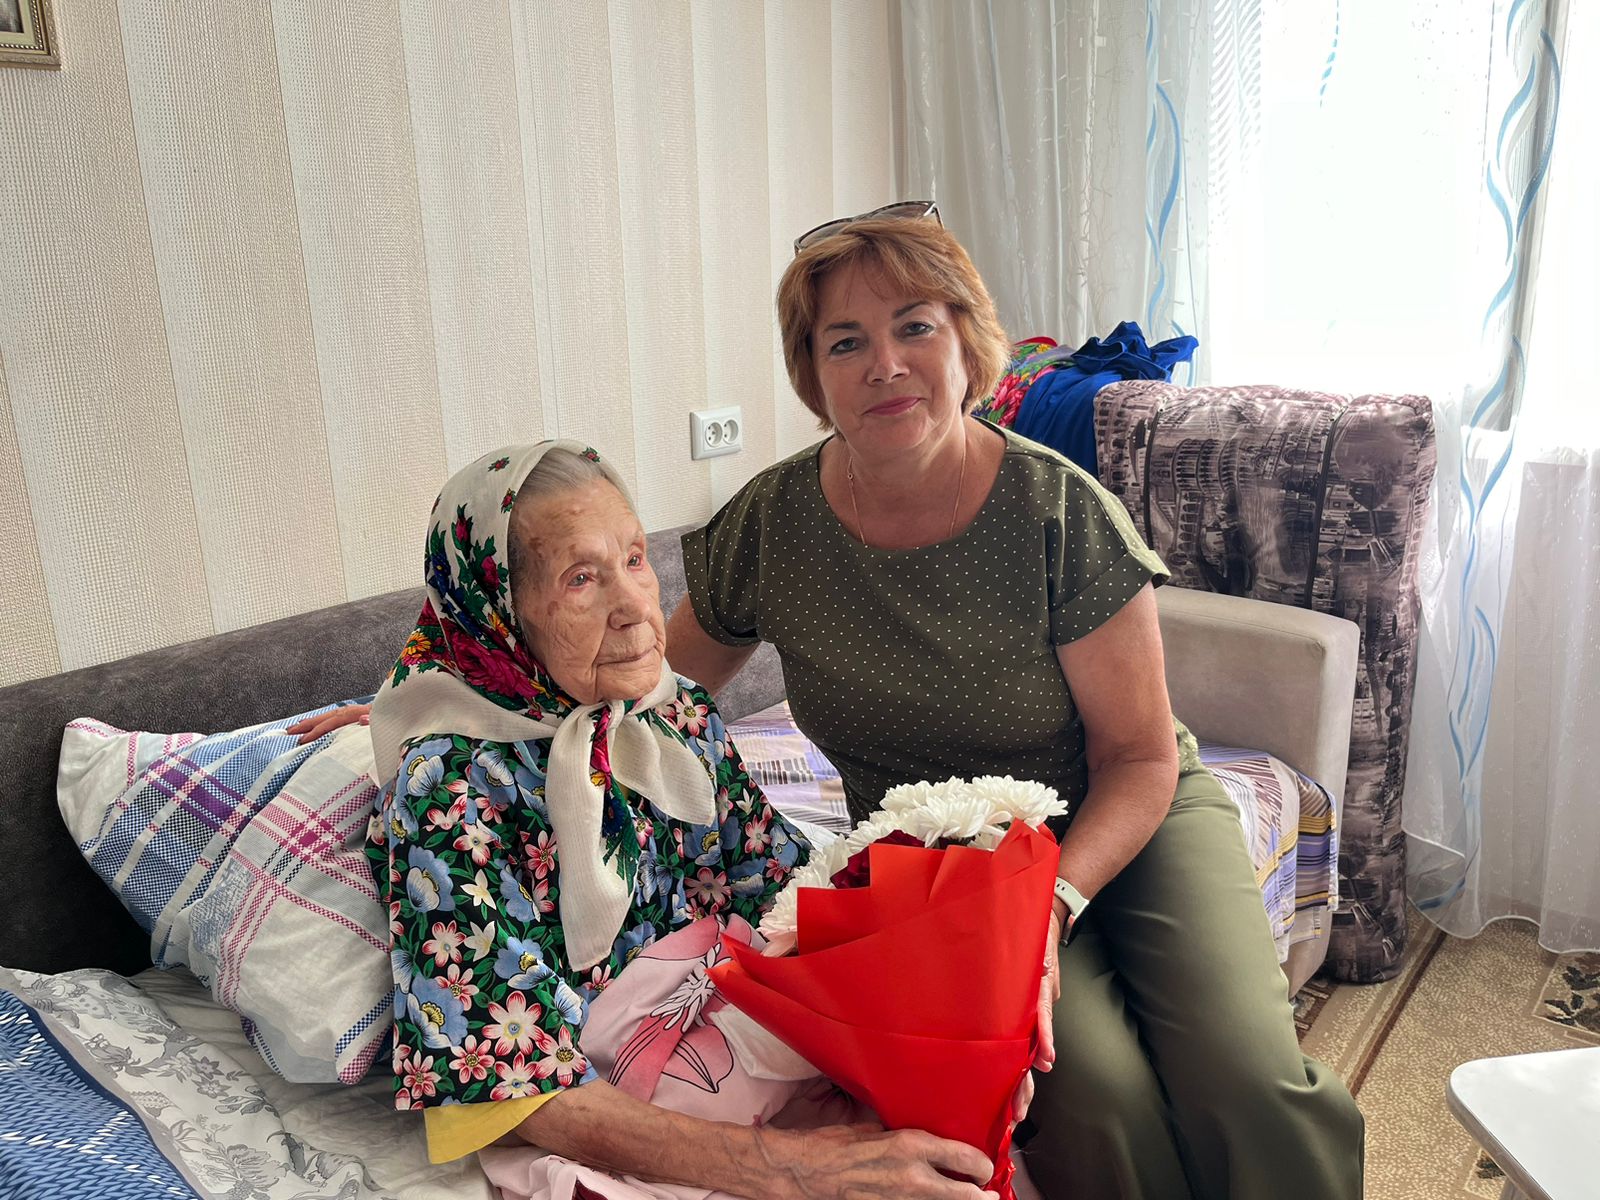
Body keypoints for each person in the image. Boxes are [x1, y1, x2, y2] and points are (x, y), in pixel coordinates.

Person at [659, 206, 1365, 1200]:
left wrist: (1055, 905)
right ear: (811, 375)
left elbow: (1139, 756)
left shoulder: (1056, 508)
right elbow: (657, 693)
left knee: (1242, 1073)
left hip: (1130, 811)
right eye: (845, 342)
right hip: (946, 864)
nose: (885, 365)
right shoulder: (771, 525)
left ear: (966, 342)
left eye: (914, 326)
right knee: (1090, 1096)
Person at [354, 440, 1000, 1200]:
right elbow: (506, 1084)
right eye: (581, 578)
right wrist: (795, 1170)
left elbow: (787, 896)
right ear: (496, 612)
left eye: (635, 559)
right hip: (617, 1103)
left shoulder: (675, 713)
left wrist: (948, 1021)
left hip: (746, 1036)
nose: (635, 606)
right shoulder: (452, 784)